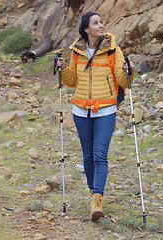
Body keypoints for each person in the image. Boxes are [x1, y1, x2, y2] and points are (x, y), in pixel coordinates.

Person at [56, 11, 134, 221]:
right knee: (88, 156)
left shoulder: (113, 51)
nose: (101, 26)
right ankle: (93, 194)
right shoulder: (76, 52)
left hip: (106, 109)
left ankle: (97, 199)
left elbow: (124, 82)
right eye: (96, 23)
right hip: (81, 110)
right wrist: (63, 69)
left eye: (101, 22)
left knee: (100, 154)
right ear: (86, 29)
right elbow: (72, 81)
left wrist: (129, 71)